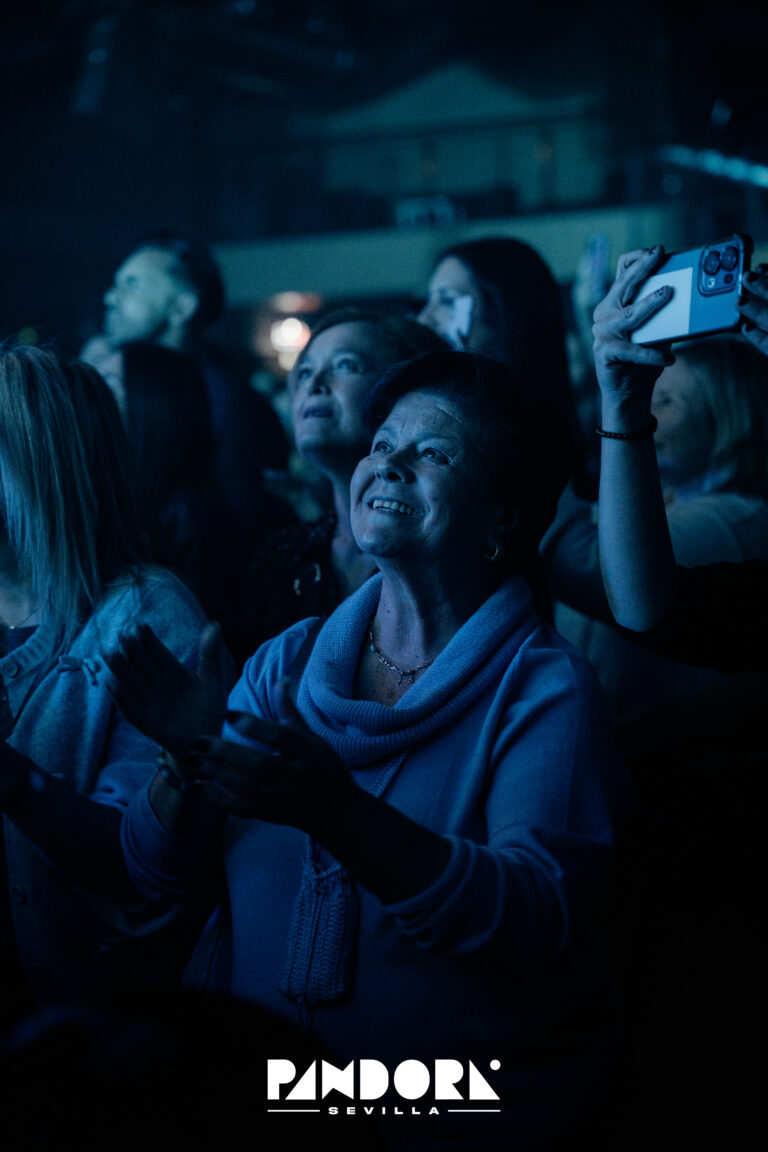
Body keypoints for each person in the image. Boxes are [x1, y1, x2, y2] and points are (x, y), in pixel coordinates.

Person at [105, 350, 629, 1150]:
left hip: (456, 1114)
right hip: (273, 1103)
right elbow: (153, 876)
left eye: (434, 452)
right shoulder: (285, 662)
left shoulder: (544, 687)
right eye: (383, 444)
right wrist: (188, 761)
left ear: (503, 519)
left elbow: (531, 916)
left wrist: (337, 812)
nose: (388, 464)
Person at [588, 245, 768, 1149]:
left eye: (671, 400)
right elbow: (646, 605)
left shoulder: (729, 521)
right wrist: (619, 407)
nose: (659, 407)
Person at [0, 343, 227, 1029]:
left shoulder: (145, 616)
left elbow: (143, 868)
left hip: (86, 1035)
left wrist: (13, 779)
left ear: (36, 465)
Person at [541, 327, 768, 728]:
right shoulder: (668, 496)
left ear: (730, 416)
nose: (648, 409)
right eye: (650, 395)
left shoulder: (737, 518)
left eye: (667, 400)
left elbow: (595, 572)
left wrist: (530, 467)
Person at [239, 308, 447, 665]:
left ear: (405, 391)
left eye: (346, 365)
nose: (314, 384)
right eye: (304, 372)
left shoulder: (445, 552)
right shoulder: (280, 554)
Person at [82, 229, 291, 543]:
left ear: (182, 308)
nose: (110, 297)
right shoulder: (113, 378)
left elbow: (247, 519)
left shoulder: (228, 403)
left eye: (133, 284)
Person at [417, 235, 590, 504]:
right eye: (430, 300)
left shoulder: (535, 437)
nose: (424, 318)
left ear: (503, 315)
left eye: (447, 300)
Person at [108, 339, 251, 651]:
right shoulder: (130, 502)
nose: (93, 397)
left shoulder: (189, 518)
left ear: (152, 404)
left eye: (109, 383)